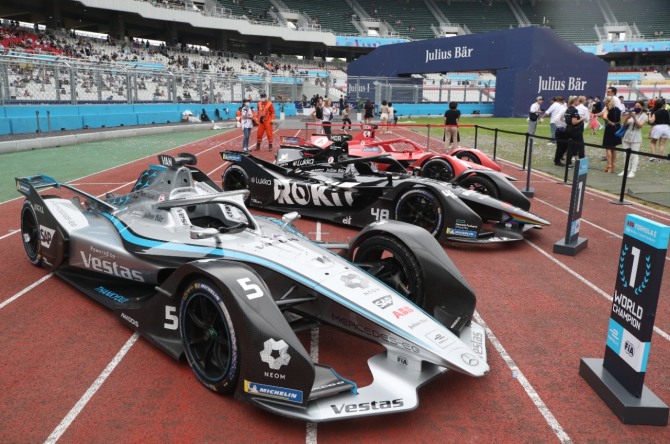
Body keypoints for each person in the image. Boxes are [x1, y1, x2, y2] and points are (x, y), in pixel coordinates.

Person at [618, 101, 648, 178]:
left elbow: (639, 126)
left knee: (634, 155)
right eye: (635, 106)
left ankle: (633, 170)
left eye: (638, 106)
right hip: (627, 135)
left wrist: (634, 118)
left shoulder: (644, 116)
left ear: (642, 107)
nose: (636, 108)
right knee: (625, 154)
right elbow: (625, 124)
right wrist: (627, 118)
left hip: (636, 136)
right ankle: (625, 170)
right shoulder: (632, 114)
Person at [564, 95, 586, 167]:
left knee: (571, 146)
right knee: (580, 146)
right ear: (574, 101)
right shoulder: (574, 110)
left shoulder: (568, 109)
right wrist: (582, 119)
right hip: (575, 130)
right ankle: (582, 164)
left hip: (568, 129)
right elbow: (574, 122)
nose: (578, 102)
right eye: (577, 101)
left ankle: (568, 163)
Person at [601, 97, 622, 173]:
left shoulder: (607, 109)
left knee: (608, 147)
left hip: (610, 128)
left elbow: (604, 117)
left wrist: (609, 122)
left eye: (605, 102)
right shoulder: (618, 109)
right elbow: (620, 119)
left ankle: (609, 165)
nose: (604, 103)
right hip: (617, 128)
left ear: (607, 102)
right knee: (614, 147)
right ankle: (613, 165)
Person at [552, 97, 569, 166]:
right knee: (561, 146)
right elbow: (556, 118)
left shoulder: (567, 109)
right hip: (561, 130)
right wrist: (560, 127)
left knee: (565, 146)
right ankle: (557, 161)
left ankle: (557, 159)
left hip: (564, 130)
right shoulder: (564, 109)